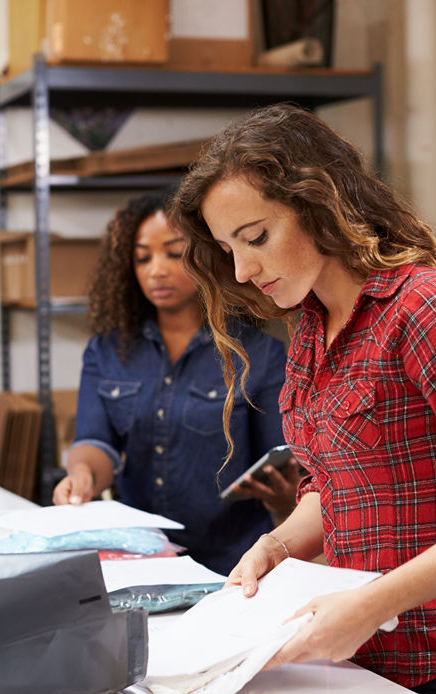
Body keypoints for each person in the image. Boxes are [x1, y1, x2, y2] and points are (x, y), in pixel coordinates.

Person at [169, 103, 436, 694]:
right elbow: (335, 485)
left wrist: (371, 604)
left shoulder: (426, 308)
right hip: (366, 673)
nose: (243, 270)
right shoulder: (311, 326)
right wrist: (278, 547)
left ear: (320, 202)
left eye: (255, 238)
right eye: (229, 249)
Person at [52, 191, 298, 574]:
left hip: (233, 566)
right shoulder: (107, 352)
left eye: (172, 252)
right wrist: (81, 475)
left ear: (206, 254)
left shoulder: (259, 355)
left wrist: (285, 499)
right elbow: (95, 441)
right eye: (143, 257)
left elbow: (280, 462)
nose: (156, 270)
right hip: (139, 559)